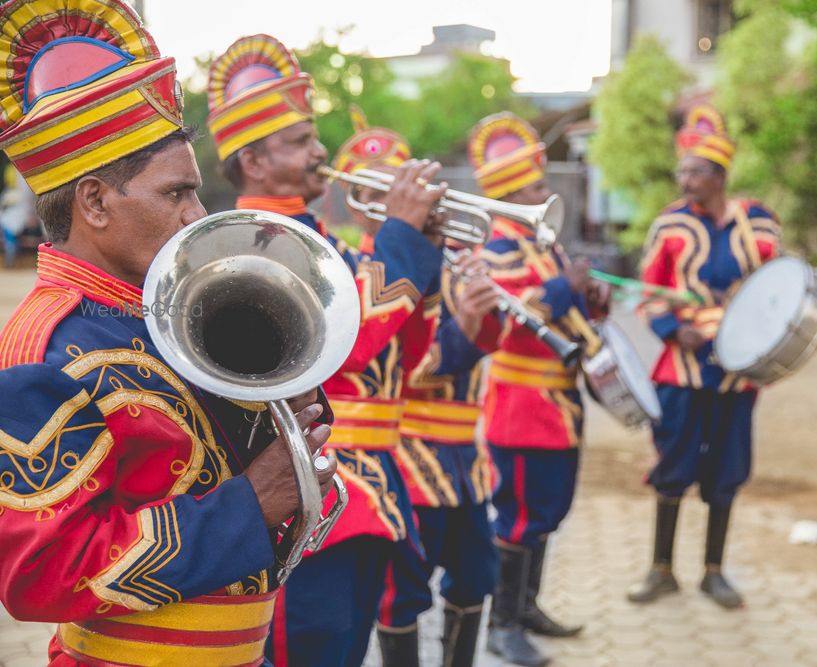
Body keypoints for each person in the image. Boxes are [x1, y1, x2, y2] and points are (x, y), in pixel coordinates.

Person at [0, 2, 338, 665]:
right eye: (177, 193)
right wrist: (252, 501)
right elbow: (37, 572)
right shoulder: (42, 343)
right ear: (94, 201)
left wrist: (289, 426)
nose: (198, 215)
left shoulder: (168, 310)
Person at [206, 37, 444, 667]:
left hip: (365, 500)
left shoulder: (317, 240)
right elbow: (347, 345)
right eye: (301, 141)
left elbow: (400, 357)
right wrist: (401, 237)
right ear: (253, 161)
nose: (319, 152)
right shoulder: (253, 243)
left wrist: (430, 259)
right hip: (306, 509)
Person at [628, 105, 780, 610]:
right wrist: (675, 329)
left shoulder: (760, 223)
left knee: (727, 470)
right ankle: (661, 569)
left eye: (693, 171)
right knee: (673, 466)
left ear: (719, 175)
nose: (684, 179)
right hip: (681, 371)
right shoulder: (669, 226)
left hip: (738, 374)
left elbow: (777, 294)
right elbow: (647, 296)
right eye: (682, 171)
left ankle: (714, 572)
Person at [473, 112, 607, 667]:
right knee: (519, 516)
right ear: (506, 193)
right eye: (532, 187)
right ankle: (502, 627)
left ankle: (526, 607)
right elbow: (510, 321)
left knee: (547, 511)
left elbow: (561, 312)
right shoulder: (496, 251)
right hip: (521, 408)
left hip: (559, 406)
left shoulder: (540, 246)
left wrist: (590, 299)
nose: (544, 192)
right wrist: (561, 287)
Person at [376, 243, 502, 666]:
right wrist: (466, 317)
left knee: (475, 576)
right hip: (411, 461)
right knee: (402, 592)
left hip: (467, 462)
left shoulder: (457, 264)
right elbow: (405, 371)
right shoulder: (386, 272)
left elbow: (493, 343)